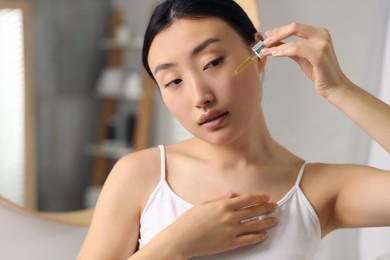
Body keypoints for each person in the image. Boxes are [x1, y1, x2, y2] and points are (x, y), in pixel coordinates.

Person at [77, 0, 390, 259]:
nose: (200, 97)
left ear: (258, 53)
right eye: (174, 81)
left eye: (212, 62)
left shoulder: (318, 189)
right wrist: (175, 244)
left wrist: (340, 89)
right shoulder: (141, 175)